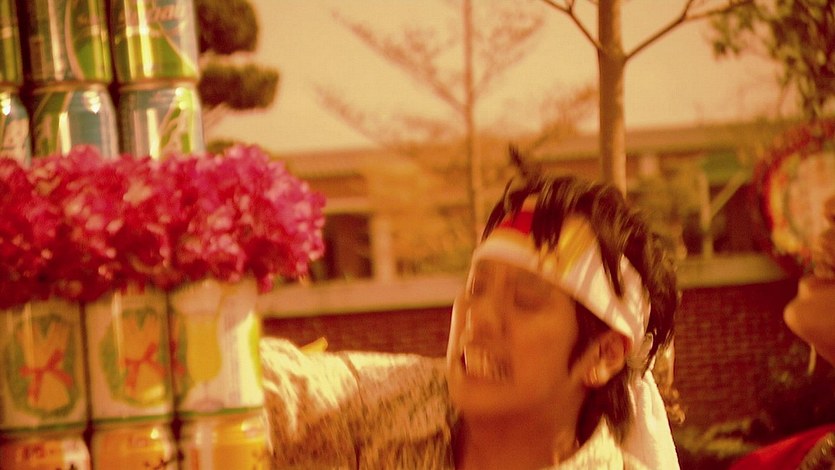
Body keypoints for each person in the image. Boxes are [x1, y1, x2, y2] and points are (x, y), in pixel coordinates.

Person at [261, 161, 681, 469]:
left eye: (524, 299)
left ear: (604, 355)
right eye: (477, 288)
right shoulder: (386, 411)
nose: (478, 318)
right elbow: (277, 389)